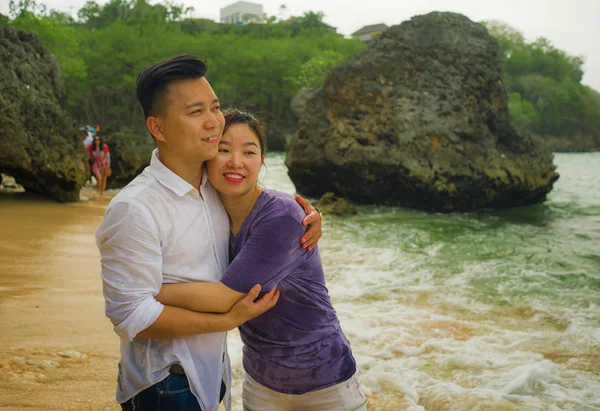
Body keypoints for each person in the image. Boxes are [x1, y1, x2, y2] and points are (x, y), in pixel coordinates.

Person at [95, 55, 322, 411]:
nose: (213, 122)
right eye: (195, 112)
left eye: (215, 108)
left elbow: (262, 209)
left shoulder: (213, 185)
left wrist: (304, 216)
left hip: (212, 370)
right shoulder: (135, 208)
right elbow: (129, 316)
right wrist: (227, 320)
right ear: (158, 128)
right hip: (165, 383)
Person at [156, 109, 368, 411]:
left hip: (324, 383)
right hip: (262, 382)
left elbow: (223, 297)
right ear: (206, 156)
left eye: (249, 151)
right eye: (223, 149)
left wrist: (146, 290)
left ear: (262, 160)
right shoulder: (208, 210)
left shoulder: (281, 216)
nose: (235, 162)